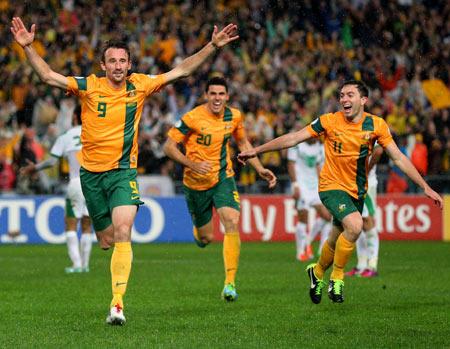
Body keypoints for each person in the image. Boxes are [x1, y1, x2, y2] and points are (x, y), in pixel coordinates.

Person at [11, 16, 238, 324]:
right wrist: (27, 47)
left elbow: (182, 69)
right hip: (91, 176)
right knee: (106, 240)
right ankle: (113, 279)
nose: (118, 66)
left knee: (123, 232)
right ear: (103, 65)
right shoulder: (89, 87)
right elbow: (49, 75)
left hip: (123, 173)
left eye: (122, 61)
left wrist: (212, 46)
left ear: (130, 64)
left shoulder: (140, 85)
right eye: (112, 61)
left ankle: (117, 304)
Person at [238, 80, 443, 304]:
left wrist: (425, 186)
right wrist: (256, 150)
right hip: (330, 186)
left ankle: (316, 273)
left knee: (336, 239)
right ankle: (337, 278)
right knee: (355, 226)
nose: (344, 99)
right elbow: (294, 138)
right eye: (342, 95)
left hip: (357, 191)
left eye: (350, 95)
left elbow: (398, 157)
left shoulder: (376, 125)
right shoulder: (329, 121)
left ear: (363, 100)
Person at [163, 76, 277, 301]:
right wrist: (193, 164)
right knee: (206, 238)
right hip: (195, 183)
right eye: (212, 94)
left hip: (223, 177)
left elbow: (243, 143)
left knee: (232, 220)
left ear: (227, 96)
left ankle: (230, 283)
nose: (217, 98)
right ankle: (199, 232)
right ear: (206, 95)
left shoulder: (234, 116)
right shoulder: (192, 117)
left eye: (221, 94)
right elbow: (168, 147)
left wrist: (259, 167)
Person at [20, 105, 93, 274]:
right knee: (87, 224)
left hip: (75, 182)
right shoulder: (95, 134)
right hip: (93, 183)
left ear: (74, 117)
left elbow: (52, 162)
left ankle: (76, 265)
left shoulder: (66, 137)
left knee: (71, 224)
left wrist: (34, 168)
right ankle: (85, 264)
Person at [287, 137, 332, 262]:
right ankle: (300, 252)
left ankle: (307, 242)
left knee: (328, 216)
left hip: (314, 187)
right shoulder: (297, 144)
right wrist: (295, 184)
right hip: (301, 186)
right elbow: (290, 164)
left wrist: (323, 185)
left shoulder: (319, 147)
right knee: (303, 219)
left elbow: (318, 166)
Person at [346, 144, 383, 277]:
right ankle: (361, 265)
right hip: (351, 182)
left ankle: (372, 265)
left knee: (368, 221)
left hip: (366, 183)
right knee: (357, 223)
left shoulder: (374, 124)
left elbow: (378, 151)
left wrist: (365, 171)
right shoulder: (351, 124)